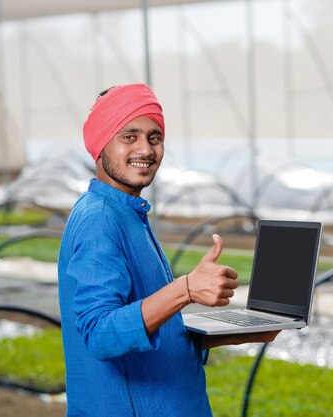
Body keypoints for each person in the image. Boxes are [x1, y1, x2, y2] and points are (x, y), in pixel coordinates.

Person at [57, 83, 277, 416]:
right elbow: (101, 334)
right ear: (101, 143)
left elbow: (148, 323)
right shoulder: (100, 218)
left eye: (154, 138)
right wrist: (186, 289)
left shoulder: (128, 212)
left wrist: (234, 333)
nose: (145, 149)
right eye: (129, 136)